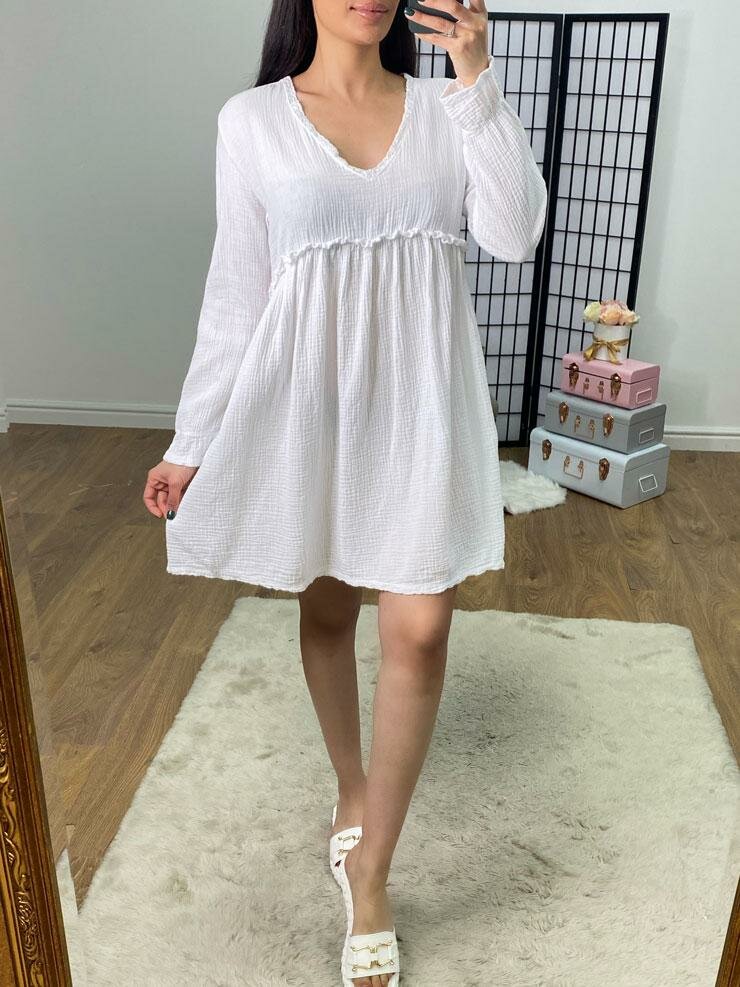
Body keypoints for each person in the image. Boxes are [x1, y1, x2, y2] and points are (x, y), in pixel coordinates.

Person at [143, 0, 547, 981]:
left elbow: (515, 233)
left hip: (421, 410)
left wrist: (476, 79)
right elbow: (236, 292)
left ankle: (371, 873)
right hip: (307, 410)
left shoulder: (448, 110)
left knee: (420, 628)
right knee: (326, 609)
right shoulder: (252, 121)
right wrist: (191, 443)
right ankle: (350, 788)